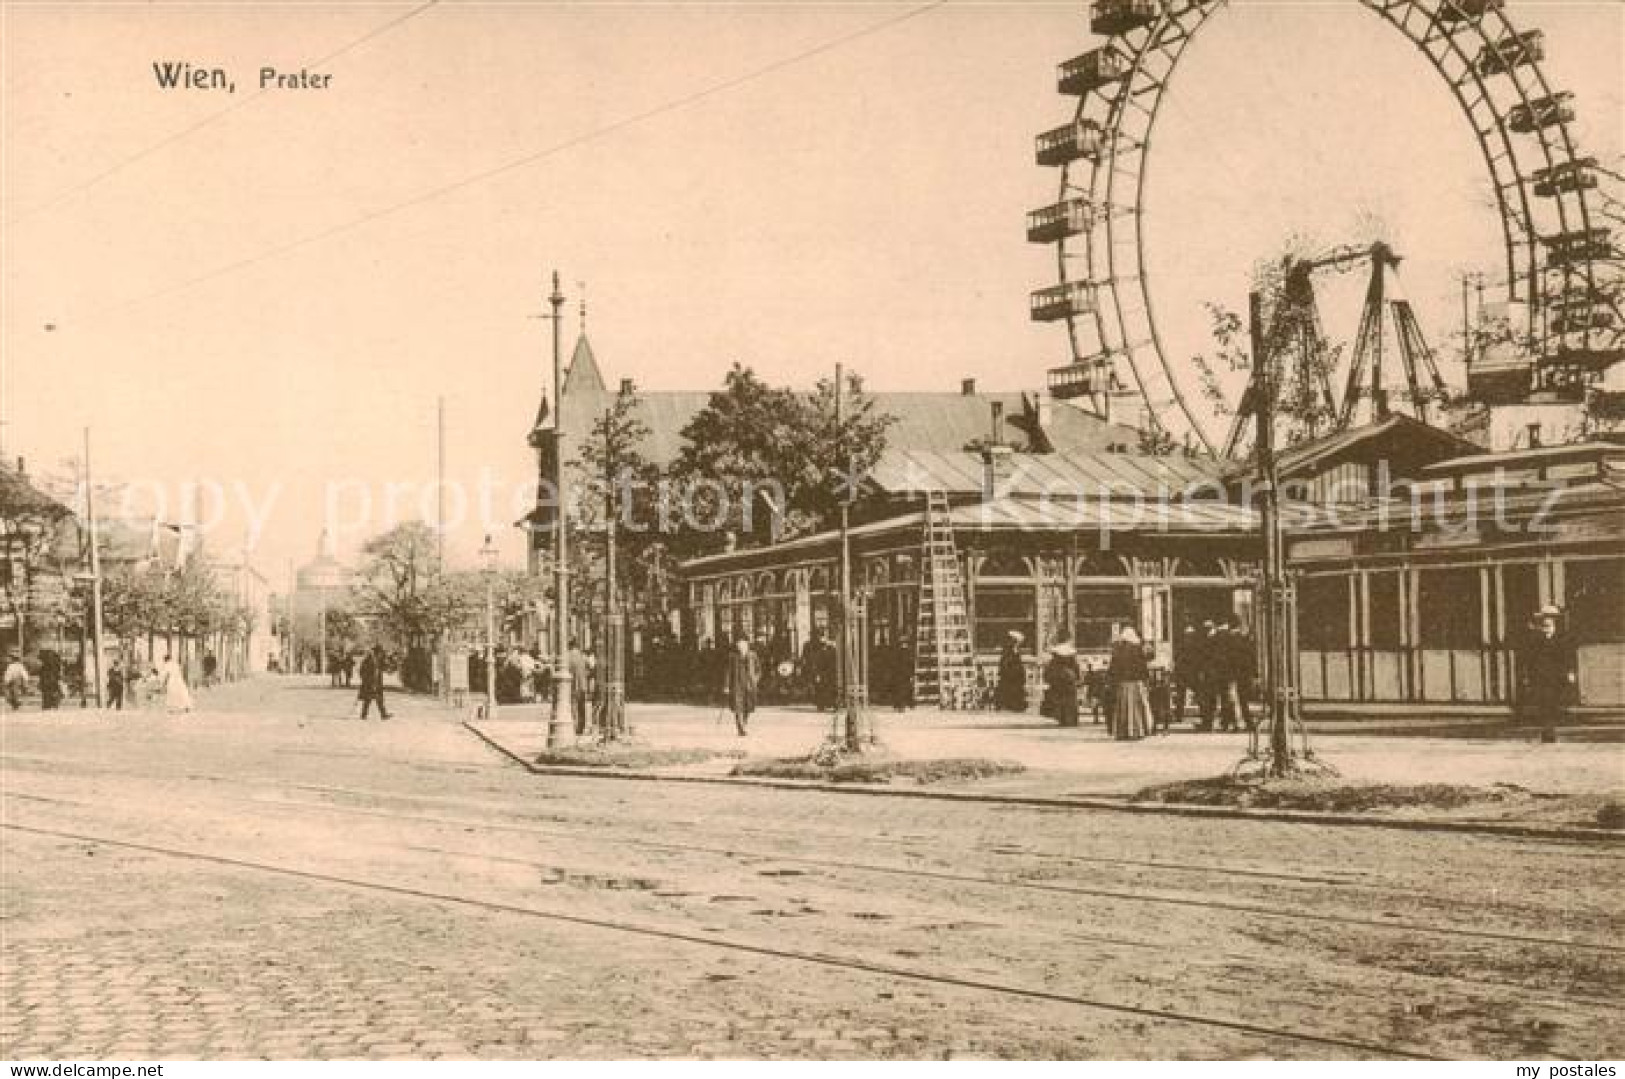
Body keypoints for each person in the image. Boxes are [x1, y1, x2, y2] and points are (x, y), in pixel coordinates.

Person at [1520, 606, 1576, 738]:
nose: (1546, 626)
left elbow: (1568, 657)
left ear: (1555, 624)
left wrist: (1570, 672)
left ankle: (1551, 726)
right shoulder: (1536, 640)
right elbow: (1530, 659)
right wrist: (1527, 675)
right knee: (1543, 702)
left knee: (1554, 701)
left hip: (1557, 676)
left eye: (1548, 624)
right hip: (1540, 676)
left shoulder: (1562, 639)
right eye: (1544, 624)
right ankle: (1547, 729)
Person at [1108, 628, 1152, 741]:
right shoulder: (1138, 650)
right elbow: (1143, 667)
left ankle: (1124, 731)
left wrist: (1113, 680)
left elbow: (1113, 668)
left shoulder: (1118, 650)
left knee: (1124, 708)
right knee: (1137, 707)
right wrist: (1146, 680)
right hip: (1136, 683)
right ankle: (1137, 730)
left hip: (1123, 684)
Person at [723, 637, 760, 736]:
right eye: (739, 647)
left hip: (749, 685)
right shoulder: (732, 657)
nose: (741, 649)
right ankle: (741, 728)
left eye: (743, 647)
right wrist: (726, 686)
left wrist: (755, 679)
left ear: (747, 646)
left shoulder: (753, 655)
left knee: (747, 706)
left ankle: (743, 724)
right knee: (738, 706)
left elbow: (758, 669)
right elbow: (728, 672)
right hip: (736, 684)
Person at [1039, 640, 1080, 727]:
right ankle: (1068, 720)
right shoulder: (1069, 664)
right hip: (1066, 686)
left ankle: (1064, 719)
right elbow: (1077, 673)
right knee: (1067, 703)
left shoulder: (1054, 663)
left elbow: (1047, 674)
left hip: (1062, 686)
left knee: (1064, 703)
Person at [995, 630, 1028, 713]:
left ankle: (1015, 705)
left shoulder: (1015, 650)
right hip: (1010, 675)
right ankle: (1009, 705)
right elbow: (1006, 663)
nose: (1017, 644)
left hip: (1015, 676)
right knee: (1009, 689)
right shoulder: (1008, 650)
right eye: (1016, 641)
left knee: (1015, 690)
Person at [357, 644, 391, 720]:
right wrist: (368, 681)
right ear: (378, 652)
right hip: (371, 683)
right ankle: (381, 715)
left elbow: (382, 668)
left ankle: (381, 714)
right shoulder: (370, 660)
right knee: (371, 699)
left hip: (375, 683)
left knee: (374, 699)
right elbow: (363, 671)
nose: (381, 654)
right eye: (381, 652)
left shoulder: (376, 659)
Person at [566, 640, 592, 736]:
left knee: (573, 705)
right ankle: (581, 727)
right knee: (581, 707)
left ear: (570, 646)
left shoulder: (567, 656)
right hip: (583, 685)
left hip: (572, 685)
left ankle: (575, 726)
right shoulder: (583, 656)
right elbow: (590, 668)